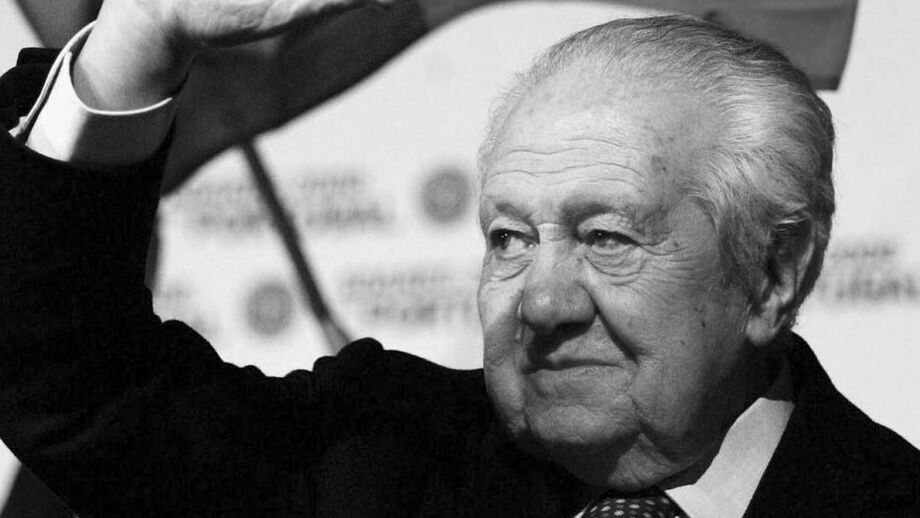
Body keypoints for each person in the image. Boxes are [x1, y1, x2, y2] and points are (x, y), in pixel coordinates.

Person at [0, 0, 918, 516]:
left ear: (773, 274)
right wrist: (143, 34)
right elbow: (77, 391)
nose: (543, 303)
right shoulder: (374, 461)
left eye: (606, 238)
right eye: (509, 239)